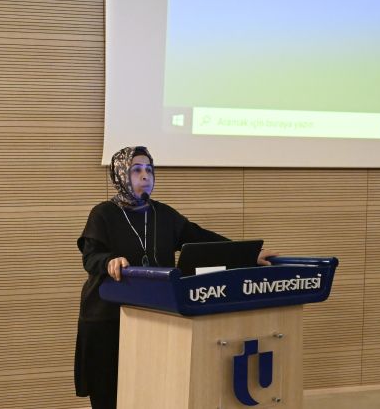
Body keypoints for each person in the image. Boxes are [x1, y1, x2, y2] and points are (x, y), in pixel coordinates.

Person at [74, 146, 276, 408]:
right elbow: (91, 257)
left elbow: (202, 239)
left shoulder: (164, 214)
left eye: (149, 169)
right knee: (109, 393)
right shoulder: (103, 213)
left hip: (154, 316)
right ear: (121, 175)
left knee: (149, 387)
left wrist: (248, 255)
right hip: (108, 318)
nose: (145, 175)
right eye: (136, 170)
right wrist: (108, 261)